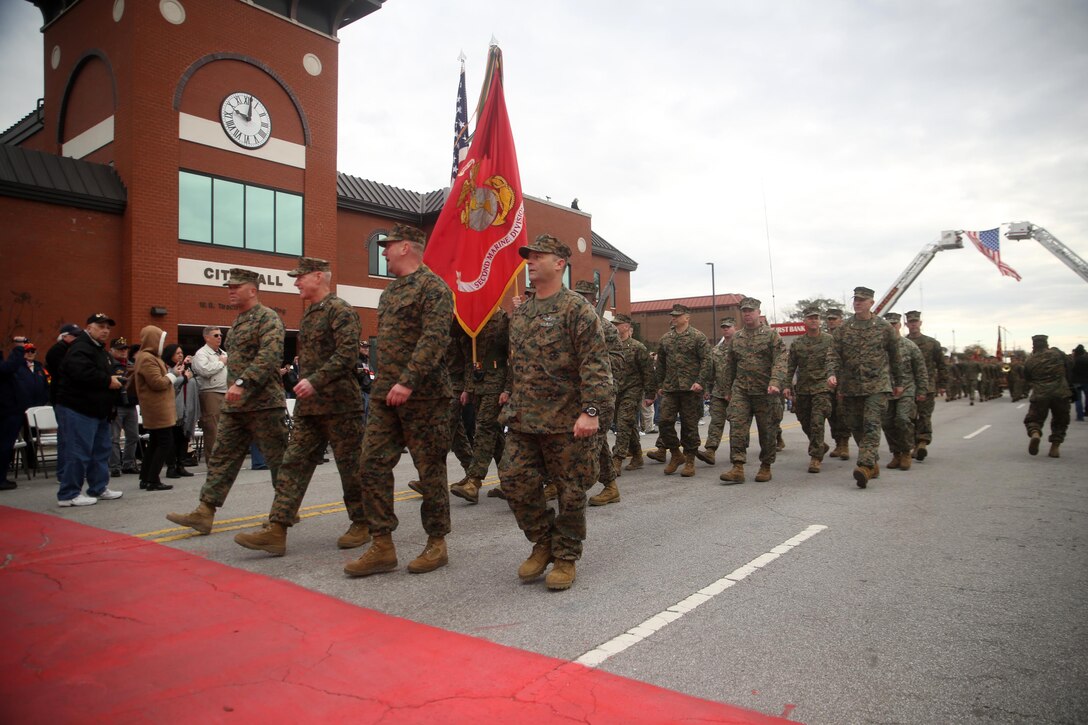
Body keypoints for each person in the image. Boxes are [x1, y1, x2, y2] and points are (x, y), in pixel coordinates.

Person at [495, 234, 610, 591]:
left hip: (566, 422)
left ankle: (565, 555)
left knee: (571, 491)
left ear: (559, 263)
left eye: (538, 256)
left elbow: (595, 363)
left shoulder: (576, 308)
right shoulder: (523, 312)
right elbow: (519, 364)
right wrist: (508, 392)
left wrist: (590, 411)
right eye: (528, 257)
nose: (530, 261)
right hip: (524, 419)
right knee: (514, 480)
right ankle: (542, 541)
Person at [233, 257, 370, 557]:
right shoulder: (309, 315)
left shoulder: (340, 310)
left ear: (318, 277)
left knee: (350, 468)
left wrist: (316, 381)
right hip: (310, 409)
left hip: (340, 407)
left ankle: (362, 523)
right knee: (292, 465)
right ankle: (277, 529)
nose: (295, 282)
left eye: (300, 277)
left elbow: (348, 355)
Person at [344, 224, 454, 578]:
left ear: (406, 247)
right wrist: (390, 383)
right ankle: (382, 545)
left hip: (425, 395)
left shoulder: (434, 288)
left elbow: (434, 340)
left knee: (430, 470)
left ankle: (436, 543)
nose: (384, 252)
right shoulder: (389, 294)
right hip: (384, 395)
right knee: (370, 464)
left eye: (388, 246)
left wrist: (408, 381)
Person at [166, 268, 288, 533]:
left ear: (253, 290)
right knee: (222, 456)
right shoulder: (239, 321)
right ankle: (204, 512)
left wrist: (243, 383)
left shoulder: (268, 318)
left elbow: (269, 356)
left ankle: (285, 512)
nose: (230, 291)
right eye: (228, 287)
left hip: (265, 403)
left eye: (236, 287)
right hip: (237, 405)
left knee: (278, 461)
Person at [831, 286, 903, 488]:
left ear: (871, 302)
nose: (857, 302)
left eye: (862, 300)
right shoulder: (844, 329)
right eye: (855, 299)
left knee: (871, 425)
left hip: (877, 386)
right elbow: (833, 354)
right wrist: (831, 373)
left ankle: (864, 465)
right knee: (856, 426)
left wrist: (899, 383)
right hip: (851, 387)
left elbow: (896, 357)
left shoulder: (883, 327)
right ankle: (873, 463)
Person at [55, 313, 126, 506]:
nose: (105, 330)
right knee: (78, 451)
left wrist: (115, 380)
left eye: (107, 327)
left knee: (100, 450)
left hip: (98, 409)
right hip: (78, 408)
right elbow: (80, 372)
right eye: (100, 326)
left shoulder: (100, 350)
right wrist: (107, 380)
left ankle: (98, 487)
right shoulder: (80, 347)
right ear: (89, 328)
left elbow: (106, 372)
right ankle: (69, 494)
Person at [718, 297, 787, 484]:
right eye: (744, 311)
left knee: (767, 431)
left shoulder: (771, 335)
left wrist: (775, 382)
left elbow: (780, 361)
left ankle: (765, 466)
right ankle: (737, 467)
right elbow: (730, 365)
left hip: (766, 391)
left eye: (750, 310)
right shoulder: (737, 337)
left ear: (758, 312)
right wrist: (728, 389)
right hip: (742, 390)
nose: (747, 314)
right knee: (737, 428)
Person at [450, 308, 509, 504]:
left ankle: (474, 481)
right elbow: (469, 358)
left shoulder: (503, 319)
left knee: (484, 428)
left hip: (497, 383)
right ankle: (511, 481)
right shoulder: (472, 319)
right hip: (477, 384)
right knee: (495, 435)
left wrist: (508, 388)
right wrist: (468, 387)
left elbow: (514, 355)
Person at [573, 280, 623, 505]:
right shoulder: (573, 325)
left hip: (600, 394)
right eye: (578, 295)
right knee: (597, 442)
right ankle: (611, 487)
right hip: (575, 394)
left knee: (589, 447)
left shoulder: (607, 328)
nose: (582, 300)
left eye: (585, 296)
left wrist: (593, 359)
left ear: (594, 300)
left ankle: (573, 490)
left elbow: (618, 361)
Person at [647, 303, 709, 477]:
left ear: (687, 317)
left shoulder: (698, 337)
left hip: (691, 389)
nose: (673, 318)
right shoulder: (666, 338)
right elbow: (660, 364)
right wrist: (659, 385)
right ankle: (676, 454)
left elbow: (706, 361)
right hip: (671, 388)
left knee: (690, 425)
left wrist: (700, 381)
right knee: (664, 421)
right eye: (672, 315)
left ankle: (689, 460)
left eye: (677, 315)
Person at [783, 308, 834, 474]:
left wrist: (834, 378)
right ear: (804, 321)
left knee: (817, 421)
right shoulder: (798, 343)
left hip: (822, 388)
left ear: (820, 321)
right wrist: (786, 386)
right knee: (804, 420)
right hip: (804, 389)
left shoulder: (829, 340)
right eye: (810, 318)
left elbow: (836, 362)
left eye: (816, 318)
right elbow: (791, 366)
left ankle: (815, 457)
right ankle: (819, 444)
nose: (814, 320)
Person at [879, 313, 928, 472]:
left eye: (895, 324)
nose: (892, 327)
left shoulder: (909, 346)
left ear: (900, 325)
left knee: (902, 419)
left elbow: (920, 370)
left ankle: (906, 452)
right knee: (887, 423)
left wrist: (921, 390)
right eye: (889, 324)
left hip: (906, 389)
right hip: (886, 390)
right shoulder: (879, 347)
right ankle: (896, 453)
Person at [133, 326, 180, 492]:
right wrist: (173, 374)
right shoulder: (147, 358)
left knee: (154, 443)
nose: (163, 343)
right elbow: (157, 383)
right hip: (157, 408)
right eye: (161, 339)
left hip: (156, 407)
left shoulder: (148, 357)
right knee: (164, 443)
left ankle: (146, 477)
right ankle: (153, 479)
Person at [609, 312, 655, 478]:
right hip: (615, 391)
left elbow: (648, 372)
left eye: (617, 324)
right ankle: (637, 455)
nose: (614, 327)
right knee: (627, 424)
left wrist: (650, 394)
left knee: (623, 423)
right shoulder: (610, 346)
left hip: (633, 390)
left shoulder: (637, 347)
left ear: (627, 327)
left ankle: (618, 459)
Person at [903, 310, 948, 460]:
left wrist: (943, 384)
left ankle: (922, 442)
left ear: (920, 323)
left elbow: (942, 365)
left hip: (927, 387)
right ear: (906, 324)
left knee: (924, 415)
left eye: (915, 321)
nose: (913, 324)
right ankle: (913, 445)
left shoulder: (932, 343)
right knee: (908, 417)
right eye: (910, 322)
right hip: (908, 387)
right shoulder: (902, 343)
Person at [1022, 334, 1073, 457]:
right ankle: (1055, 447)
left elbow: (1027, 377)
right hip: (1061, 393)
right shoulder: (1058, 354)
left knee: (1034, 419)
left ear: (1034, 345)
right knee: (1060, 420)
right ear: (1046, 343)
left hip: (1040, 394)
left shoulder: (1030, 360)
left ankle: (1035, 433)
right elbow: (1070, 365)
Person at [699, 318, 735, 464]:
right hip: (719, 392)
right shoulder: (716, 351)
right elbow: (710, 372)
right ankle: (710, 451)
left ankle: (737, 453)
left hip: (738, 393)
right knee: (716, 422)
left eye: (728, 327)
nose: (726, 329)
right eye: (723, 327)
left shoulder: (740, 347)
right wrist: (707, 389)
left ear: (734, 328)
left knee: (737, 424)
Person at [190, 325, 228, 462]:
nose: (219, 338)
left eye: (220, 335)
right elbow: (204, 371)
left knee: (224, 428)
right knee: (212, 428)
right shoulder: (201, 354)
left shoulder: (222, 353)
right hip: (210, 392)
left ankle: (223, 458)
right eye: (216, 335)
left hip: (225, 391)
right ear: (207, 337)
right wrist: (221, 363)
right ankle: (213, 461)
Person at [162, 344, 199, 479]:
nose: (180, 355)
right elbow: (169, 383)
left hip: (186, 409)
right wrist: (184, 378)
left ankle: (180, 465)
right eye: (177, 353)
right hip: (172, 410)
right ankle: (171, 467)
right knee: (172, 439)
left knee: (184, 438)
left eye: (181, 353)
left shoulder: (185, 369)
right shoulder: (166, 369)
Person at [1, 339, 33, 490]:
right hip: (6, 410)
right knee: (4, 445)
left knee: (6, 445)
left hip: (11, 408)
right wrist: (19, 349)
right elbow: (8, 368)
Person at [106, 337, 139, 477]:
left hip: (131, 404)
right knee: (114, 438)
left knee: (133, 436)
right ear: (112, 350)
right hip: (116, 405)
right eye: (120, 349)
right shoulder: (108, 365)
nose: (123, 351)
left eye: (125, 349)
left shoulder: (131, 364)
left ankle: (128, 463)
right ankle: (114, 466)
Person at [355, 341, 373, 424]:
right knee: (362, 417)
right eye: (363, 347)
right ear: (358, 348)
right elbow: (360, 377)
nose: (366, 349)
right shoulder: (357, 361)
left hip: (369, 392)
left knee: (367, 417)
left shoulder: (367, 361)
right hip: (362, 392)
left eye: (367, 347)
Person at [1071, 344, 1087, 422]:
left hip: (1077, 382)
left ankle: (1080, 416)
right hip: (1086, 381)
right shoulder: (1087, 359)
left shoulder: (1074, 360)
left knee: (1078, 399)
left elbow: (1071, 371)